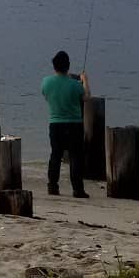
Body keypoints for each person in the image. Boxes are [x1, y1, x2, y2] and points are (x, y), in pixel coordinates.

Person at [41, 50, 89, 198]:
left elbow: (45, 95)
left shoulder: (46, 82)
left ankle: (52, 187)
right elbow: (87, 97)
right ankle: (77, 189)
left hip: (55, 124)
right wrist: (84, 80)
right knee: (75, 157)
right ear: (68, 66)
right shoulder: (75, 85)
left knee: (55, 155)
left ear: (54, 66)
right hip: (74, 125)